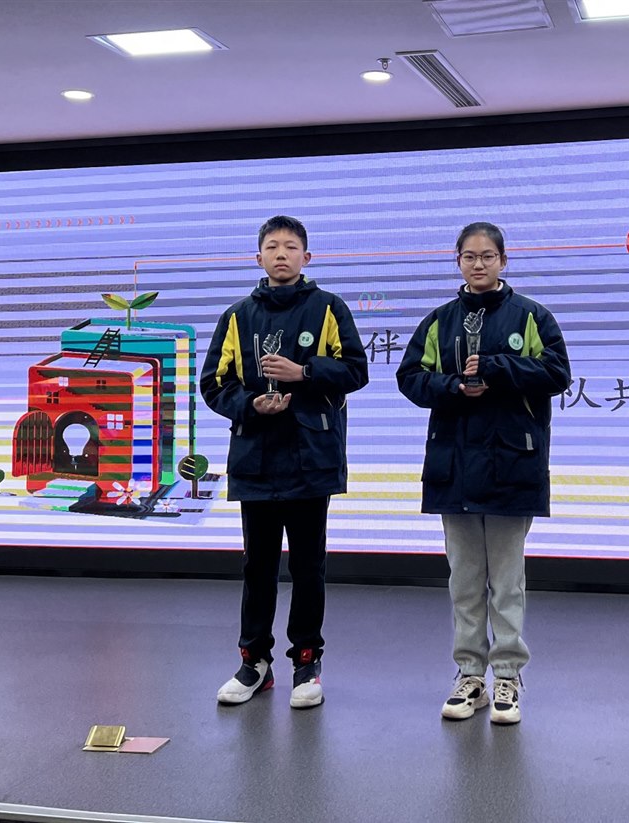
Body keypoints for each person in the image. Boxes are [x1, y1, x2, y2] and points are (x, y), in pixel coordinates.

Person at [396, 222, 571, 724]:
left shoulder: (531, 316)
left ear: (503, 261)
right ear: (458, 261)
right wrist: (453, 386)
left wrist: (497, 368)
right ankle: (470, 675)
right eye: (469, 256)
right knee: (466, 582)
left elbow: (557, 373)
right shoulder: (439, 321)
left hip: (513, 464)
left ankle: (508, 677)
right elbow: (410, 377)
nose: (478, 264)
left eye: (488, 256)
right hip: (454, 466)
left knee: (508, 583)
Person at [201, 215, 368, 709]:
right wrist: (250, 405)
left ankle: (306, 661)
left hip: (311, 458)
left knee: (309, 566)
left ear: (306, 257)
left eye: (291, 246)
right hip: (256, 458)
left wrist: (304, 372)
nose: (281, 254)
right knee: (257, 566)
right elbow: (214, 384)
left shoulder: (328, 308)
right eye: (272, 246)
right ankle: (254, 661)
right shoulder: (237, 316)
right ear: (258, 258)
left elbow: (356, 370)